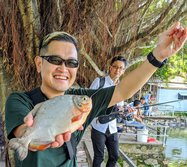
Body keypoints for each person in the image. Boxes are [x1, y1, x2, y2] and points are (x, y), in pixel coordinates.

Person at [5, 22, 187, 167]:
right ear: (38, 63)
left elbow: (123, 90)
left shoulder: (81, 101)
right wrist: (30, 132)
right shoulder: (20, 100)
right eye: (54, 60)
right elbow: (22, 129)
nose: (63, 68)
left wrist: (158, 56)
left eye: (71, 62)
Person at [90, 56, 126, 167]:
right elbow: (89, 100)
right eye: (115, 67)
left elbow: (120, 107)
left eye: (121, 68)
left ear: (123, 71)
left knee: (114, 156)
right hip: (98, 126)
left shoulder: (122, 86)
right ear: (110, 68)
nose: (117, 70)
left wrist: (124, 109)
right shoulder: (99, 82)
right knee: (99, 156)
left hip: (112, 127)